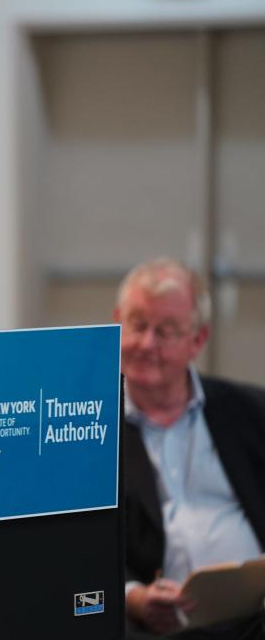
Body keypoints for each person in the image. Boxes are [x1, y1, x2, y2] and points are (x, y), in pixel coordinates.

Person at [116, 258, 265, 639]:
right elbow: (76, 546)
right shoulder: (89, 425)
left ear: (197, 340)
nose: (148, 344)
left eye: (166, 331)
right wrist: (133, 597)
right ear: (117, 323)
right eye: (137, 325)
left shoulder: (249, 412)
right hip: (151, 624)